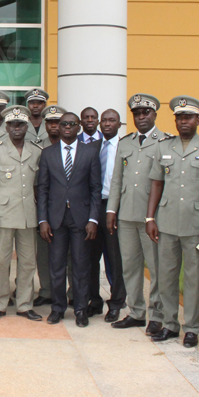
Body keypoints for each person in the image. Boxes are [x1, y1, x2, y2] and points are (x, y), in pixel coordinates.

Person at [146, 96, 199, 348]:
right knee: (166, 276)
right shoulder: (163, 147)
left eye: (188, 117)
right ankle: (170, 324)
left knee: (193, 278)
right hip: (167, 223)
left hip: (196, 226)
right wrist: (150, 217)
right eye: (180, 117)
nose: (184, 121)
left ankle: (191, 328)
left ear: (197, 120)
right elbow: (156, 184)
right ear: (176, 120)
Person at [106, 94, 165, 335]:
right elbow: (117, 179)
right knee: (130, 266)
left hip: (153, 219)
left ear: (154, 115)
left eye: (145, 113)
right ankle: (137, 312)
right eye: (137, 114)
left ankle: (158, 315)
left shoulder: (165, 142)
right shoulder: (126, 142)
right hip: (126, 216)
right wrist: (111, 209)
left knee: (157, 267)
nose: (141, 117)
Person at [37, 112, 102, 327]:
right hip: (55, 220)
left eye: (71, 124)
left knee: (80, 266)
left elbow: (95, 189)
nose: (66, 127)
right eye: (62, 124)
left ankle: (81, 309)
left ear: (79, 127)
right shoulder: (47, 153)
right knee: (56, 265)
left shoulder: (90, 152)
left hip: (81, 219)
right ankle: (57, 308)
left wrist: (93, 219)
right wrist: (42, 220)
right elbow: (43, 189)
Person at [0, 105, 43, 322]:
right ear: (6, 127)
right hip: (3, 215)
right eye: (12, 124)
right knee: (1, 261)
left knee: (28, 262)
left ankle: (25, 305)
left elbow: (38, 187)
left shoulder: (36, 151)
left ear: (26, 126)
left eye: (21, 124)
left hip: (28, 215)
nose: (17, 128)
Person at [85, 108, 126, 322]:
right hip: (94, 206)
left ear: (120, 124)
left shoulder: (126, 146)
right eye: (105, 121)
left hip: (115, 207)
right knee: (91, 257)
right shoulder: (92, 147)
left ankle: (117, 302)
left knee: (114, 257)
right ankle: (94, 301)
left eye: (112, 121)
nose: (107, 124)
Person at [32, 104, 67, 306]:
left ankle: (69, 292)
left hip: (68, 209)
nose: (54, 126)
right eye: (50, 122)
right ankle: (46, 290)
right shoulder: (37, 147)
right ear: (45, 125)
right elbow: (36, 183)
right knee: (44, 254)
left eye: (58, 122)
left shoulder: (73, 145)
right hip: (44, 207)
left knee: (69, 255)